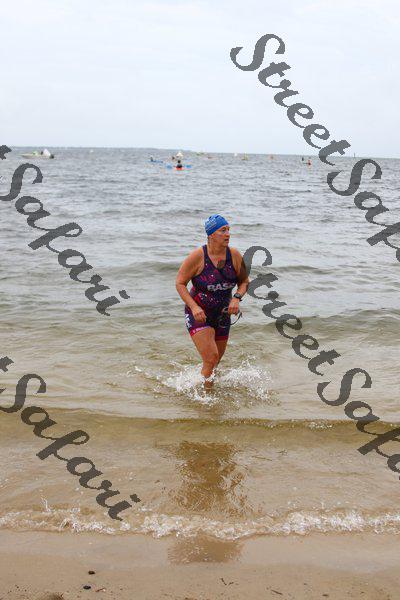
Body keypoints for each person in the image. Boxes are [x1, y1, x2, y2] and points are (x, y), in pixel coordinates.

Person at [176, 215, 249, 389]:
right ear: (211, 235)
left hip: (223, 315)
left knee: (214, 362)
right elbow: (180, 283)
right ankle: (205, 397)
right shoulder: (198, 257)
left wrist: (236, 298)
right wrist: (194, 307)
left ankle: (202, 391)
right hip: (199, 313)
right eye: (223, 230)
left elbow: (245, 282)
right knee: (211, 358)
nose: (228, 234)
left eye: (228, 230)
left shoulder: (234, 255)